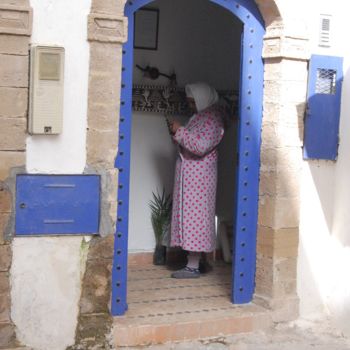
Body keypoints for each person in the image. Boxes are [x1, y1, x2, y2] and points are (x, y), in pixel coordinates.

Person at [169, 82, 225, 278]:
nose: (191, 105)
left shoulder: (212, 120)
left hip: (199, 180)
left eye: (193, 101)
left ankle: (192, 265)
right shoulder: (201, 117)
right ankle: (194, 262)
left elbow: (200, 146)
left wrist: (180, 130)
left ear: (203, 99)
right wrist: (177, 133)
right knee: (191, 218)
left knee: (196, 218)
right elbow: (191, 141)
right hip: (192, 179)